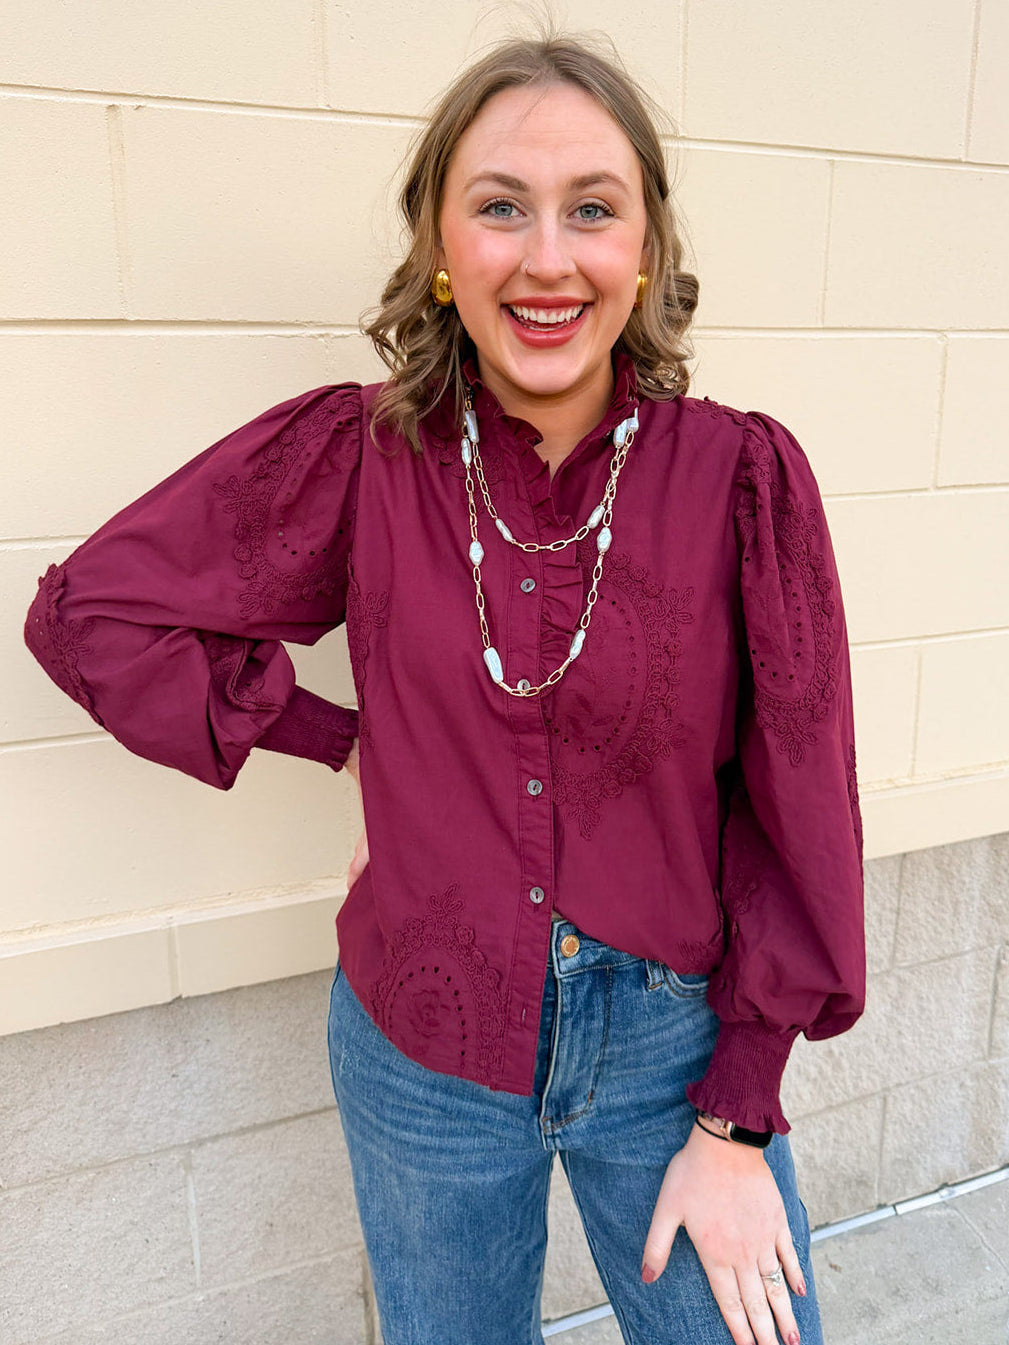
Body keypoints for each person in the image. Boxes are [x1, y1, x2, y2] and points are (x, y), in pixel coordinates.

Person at [24, 30, 865, 1345]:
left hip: (671, 1057)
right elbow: (101, 614)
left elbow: (796, 799)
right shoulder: (360, 459)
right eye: (497, 208)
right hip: (417, 1041)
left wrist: (738, 1114)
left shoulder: (738, 482)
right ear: (438, 246)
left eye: (591, 208)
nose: (544, 257)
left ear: (642, 245)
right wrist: (334, 736)